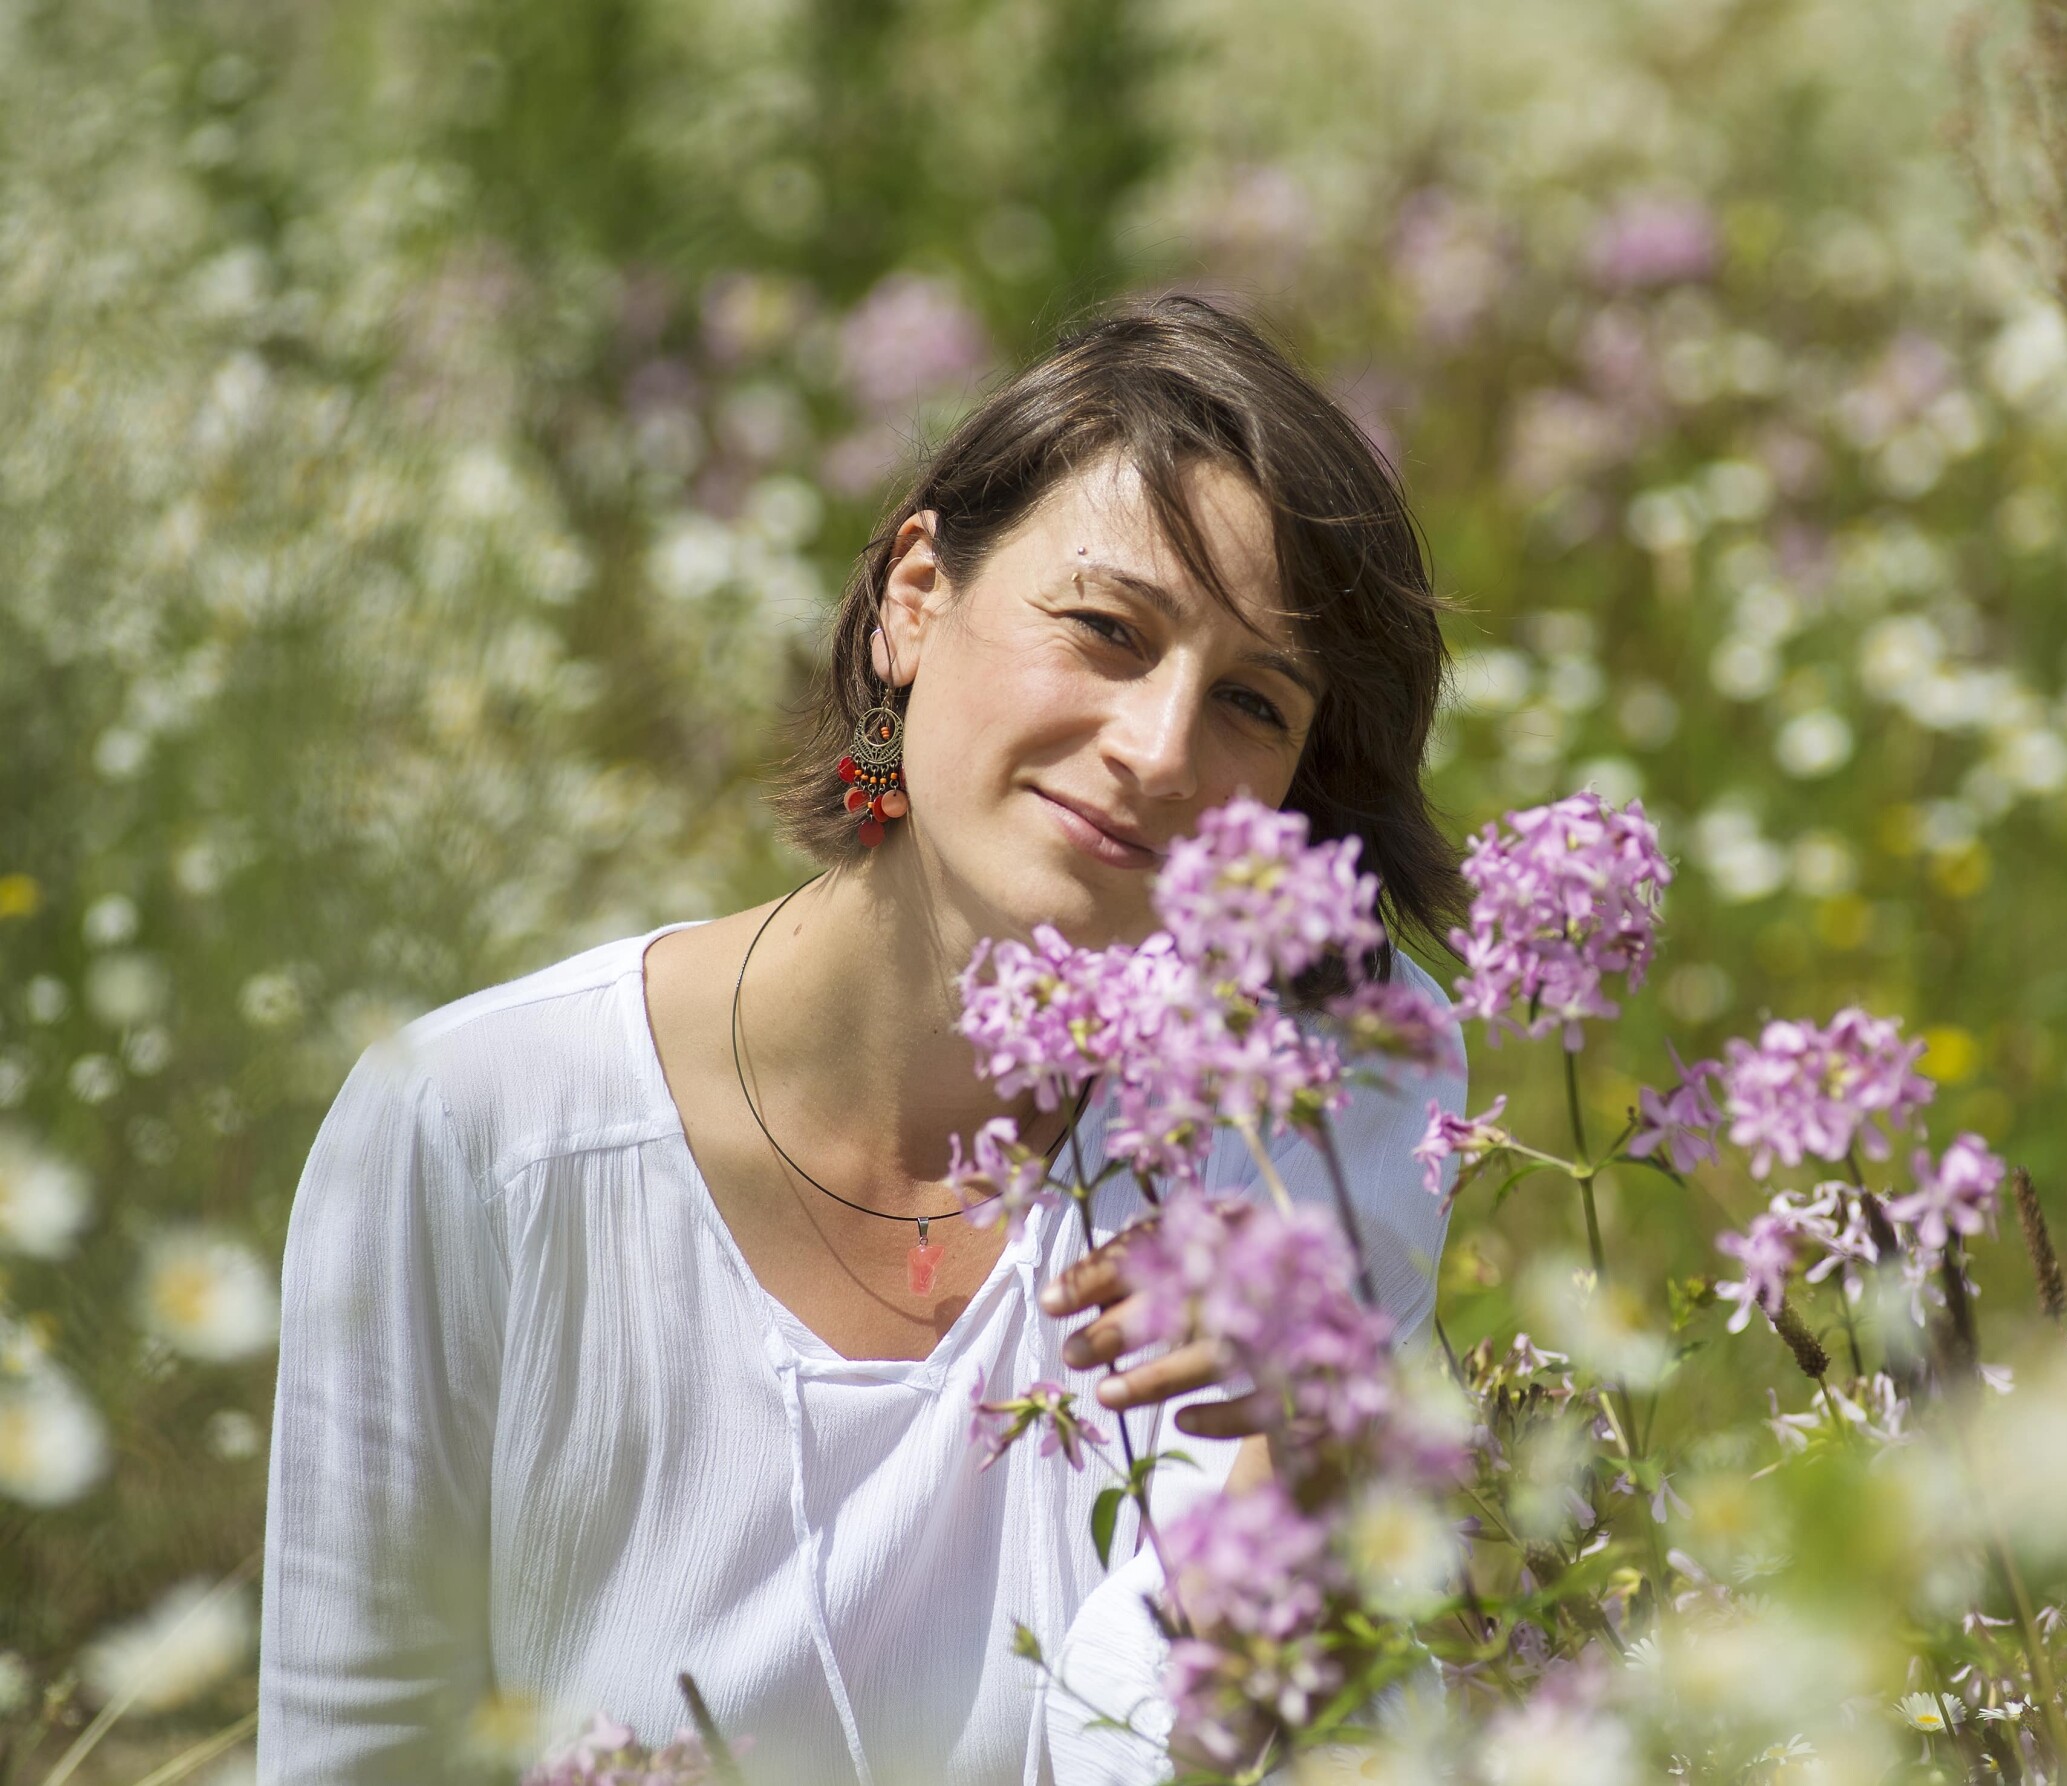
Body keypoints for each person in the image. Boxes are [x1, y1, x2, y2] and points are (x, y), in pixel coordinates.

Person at [257, 295, 1473, 1786]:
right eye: (1106, 627)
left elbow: (1178, 1737)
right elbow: (355, 1754)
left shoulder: (1306, 1109)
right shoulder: (474, 1127)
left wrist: (1319, 1440)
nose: (1159, 748)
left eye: (1250, 703)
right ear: (915, 594)